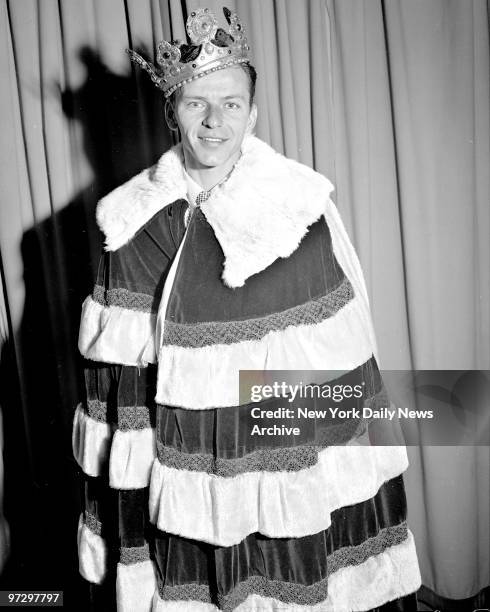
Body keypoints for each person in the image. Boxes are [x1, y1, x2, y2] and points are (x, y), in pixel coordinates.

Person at [72, 6, 421, 611]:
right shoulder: (128, 225)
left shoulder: (300, 212)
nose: (214, 122)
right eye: (196, 104)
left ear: (253, 113)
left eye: (231, 104)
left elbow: (341, 380)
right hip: (180, 486)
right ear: (170, 113)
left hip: (276, 469)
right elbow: (119, 396)